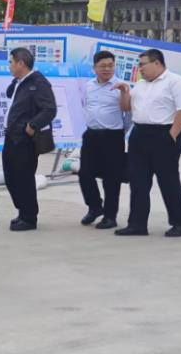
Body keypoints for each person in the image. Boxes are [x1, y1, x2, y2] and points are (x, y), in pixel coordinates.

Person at [113, 48, 181, 237]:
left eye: (143, 64)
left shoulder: (176, 82)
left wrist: (172, 135)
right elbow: (126, 107)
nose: (140, 68)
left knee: (168, 180)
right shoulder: (140, 85)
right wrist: (124, 92)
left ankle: (180, 222)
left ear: (157, 63)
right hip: (140, 134)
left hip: (165, 133)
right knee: (138, 181)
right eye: (139, 65)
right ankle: (137, 224)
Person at [2, 47, 57, 231]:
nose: (9, 66)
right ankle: (22, 211)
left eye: (11, 62)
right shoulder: (19, 82)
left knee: (24, 178)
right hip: (11, 136)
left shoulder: (38, 83)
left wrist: (32, 126)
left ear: (21, 63)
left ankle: (29, 217)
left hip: (25, 139)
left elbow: (50, 109)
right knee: (11, 177)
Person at [78, 51, 128, 230]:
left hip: (112, 136)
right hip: (91, 135)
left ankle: (110, 216)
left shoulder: (121, 86)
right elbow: (85, 105)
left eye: (110, 65)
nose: (107, 69)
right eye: (103, 66)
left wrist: (122, 131)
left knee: (111, 178)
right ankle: (94, 207)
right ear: (95, 68)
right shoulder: (88, 86)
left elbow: (127, 110)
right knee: (85, 174)